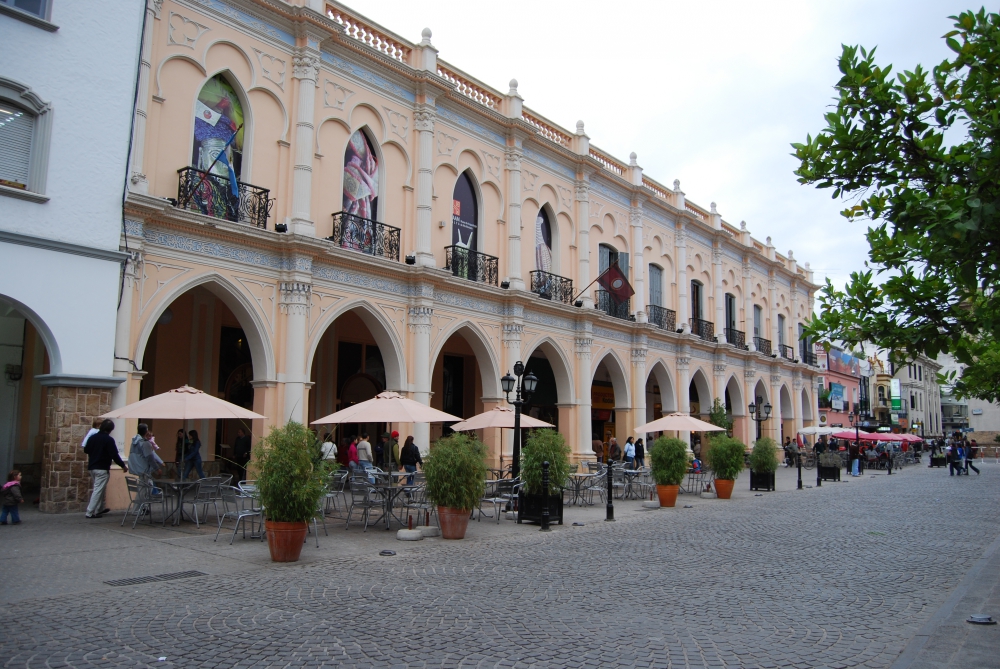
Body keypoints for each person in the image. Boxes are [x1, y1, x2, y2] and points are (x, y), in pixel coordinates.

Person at [84, 419, 127, 518]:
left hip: (92, 467)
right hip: (102, 468)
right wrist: (123, 466)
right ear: (111, 430)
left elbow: (86, 450)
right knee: (98, 489)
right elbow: (114, 455)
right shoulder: (109, 440)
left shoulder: (92, 438)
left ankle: (99, 509)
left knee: (100, 488)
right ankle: (89, 512)